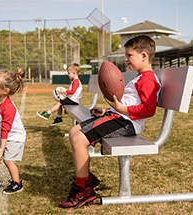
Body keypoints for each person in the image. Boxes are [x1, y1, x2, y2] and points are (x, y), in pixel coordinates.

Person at [59, 35, 161, 209]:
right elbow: (129, 103)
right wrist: (107, 110)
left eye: (129, 55)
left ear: (144, 56)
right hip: (118, 117)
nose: (126, 59)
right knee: (75, 132)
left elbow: (148, 110)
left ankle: (83, 190)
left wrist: (120, 110)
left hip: (126, 123)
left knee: (78, 139)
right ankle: (87, 179)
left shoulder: (148, 79)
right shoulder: (140, 77)